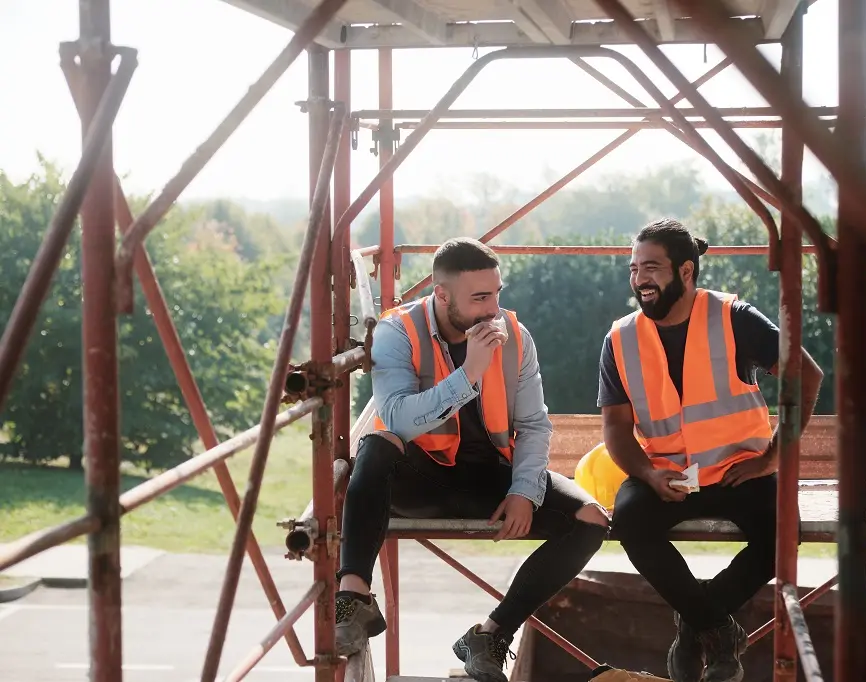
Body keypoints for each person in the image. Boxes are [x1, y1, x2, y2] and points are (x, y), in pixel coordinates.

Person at [334, 237, 610, 682]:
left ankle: (491, 634)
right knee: (375, 446)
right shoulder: (397, 332)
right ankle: (353, 599)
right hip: (422, 480)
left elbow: (535, 427)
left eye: (497, 293)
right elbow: (398, 419)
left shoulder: (516, 337)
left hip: (491, 482)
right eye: (479, 297)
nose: (491, 308)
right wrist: (470, 374)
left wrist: (524, 491)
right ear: (441, 295)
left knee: (592, 519)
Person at [596, 219, 823, 682]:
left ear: (685, 271)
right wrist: (647, 472)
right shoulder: (620, 338)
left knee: (783, 532)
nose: (640, 278)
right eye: (634, 268)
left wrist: (774, 456)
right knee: (630, 521)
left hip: (740, 467)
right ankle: (717, 629)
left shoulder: (733, 316)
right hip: (666, 473)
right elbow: (616, 430)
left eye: (652, 267)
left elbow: (807, 374)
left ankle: (696, 623)